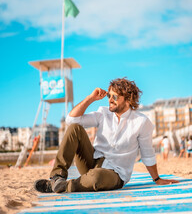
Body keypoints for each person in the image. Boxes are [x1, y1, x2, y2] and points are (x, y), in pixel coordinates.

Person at [34, 78, 179, 193]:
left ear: (128, 99)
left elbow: (147, 154)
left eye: (114, 96)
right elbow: (71, 120)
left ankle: (64, 186)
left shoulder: (141, 122)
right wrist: (91, 98)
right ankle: (56, 177)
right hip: (91, 162)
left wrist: (157, 179)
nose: (110, 99)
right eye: (109, 95)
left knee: (97, 177)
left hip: (115, 173)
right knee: (74, 128)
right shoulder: (103, 113)